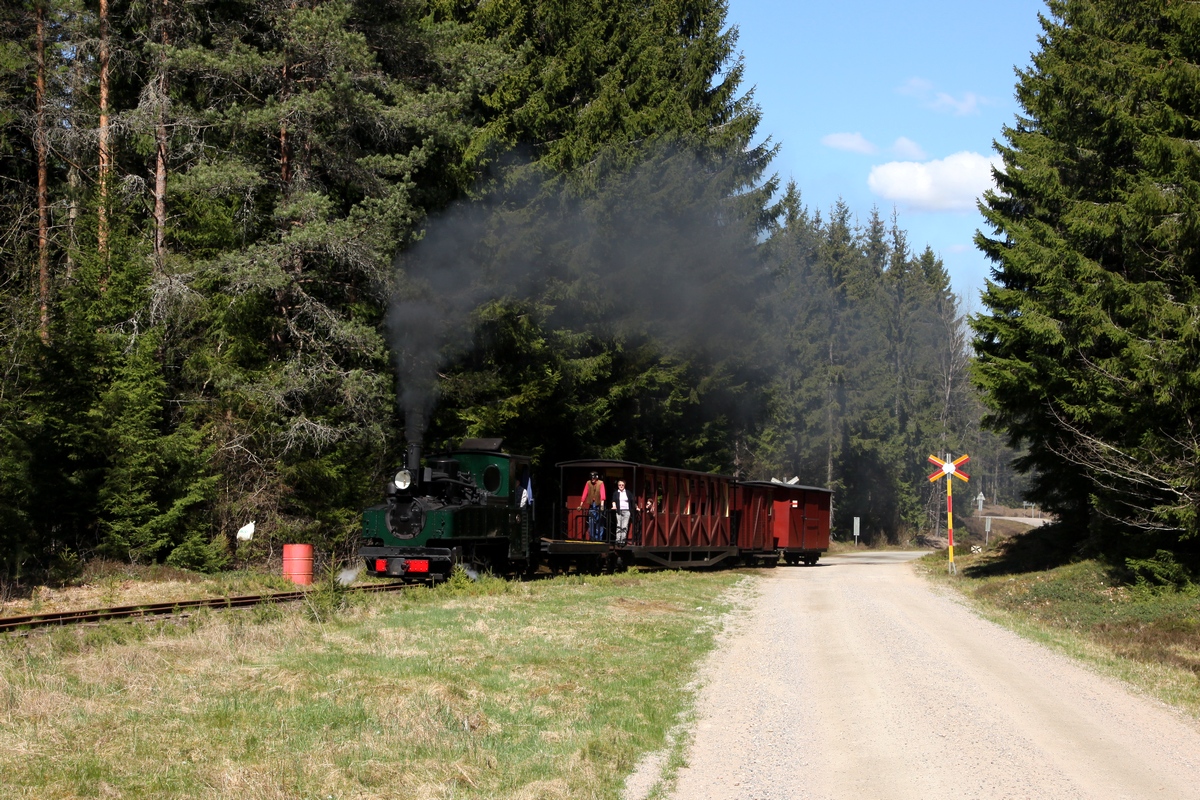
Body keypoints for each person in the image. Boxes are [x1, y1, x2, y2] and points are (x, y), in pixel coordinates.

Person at [578, 471, 606, 541]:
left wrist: (602, 505)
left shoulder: (601, 483)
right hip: (592, 504)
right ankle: (592, 538)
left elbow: (602, 494)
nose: (592, 479)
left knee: (599, 522)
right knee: (591, 521)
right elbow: (585, 493)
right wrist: (581, 504)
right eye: (591, 478)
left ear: (596, 477)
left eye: (593, 478)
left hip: (599, 504)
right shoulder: (588, 483)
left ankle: (599, 538)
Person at [611, 479, 633, 545]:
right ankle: (618, 540)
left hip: (626, 511)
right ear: (618, 486)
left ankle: (622, 541)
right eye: (619, 485)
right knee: (619, 526)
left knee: (624, 526)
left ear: (624, 485)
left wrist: (636, 507)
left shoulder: (628, 492)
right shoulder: (616, 493)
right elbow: (613, 500)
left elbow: (632, 500)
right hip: (619, 511)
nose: (621, 486)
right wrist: (614, 506)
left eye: (622, 485)